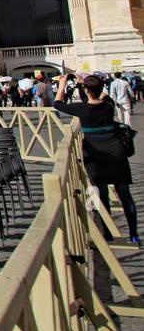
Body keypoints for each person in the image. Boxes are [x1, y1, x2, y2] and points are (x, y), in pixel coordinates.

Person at [53, 71, 138, 243]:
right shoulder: (108, 105)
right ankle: (133, 234)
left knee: (101, 193)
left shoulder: (82, 109)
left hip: (95, 154)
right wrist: (83, 82)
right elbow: (99, 97)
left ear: (85, 90)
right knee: (124, 193)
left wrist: (62, 85)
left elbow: (58, 104)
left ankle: (107, 232)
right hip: (116, 151)